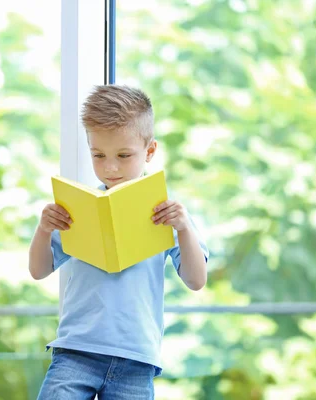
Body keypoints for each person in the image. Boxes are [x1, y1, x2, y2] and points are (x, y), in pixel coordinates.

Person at [29, 84, 209, 400]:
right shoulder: (80, 206)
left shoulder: (167, 212)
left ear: (150, 151)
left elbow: (196, 280)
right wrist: (43, 229)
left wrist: (183, 229)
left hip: (136, 357)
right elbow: (38, 270)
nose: (110, 167)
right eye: (98, 155)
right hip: (76, 350)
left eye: (123, 156)